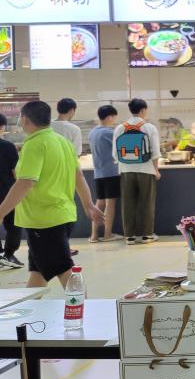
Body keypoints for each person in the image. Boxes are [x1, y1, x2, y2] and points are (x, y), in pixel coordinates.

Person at [0, 101, 101, 289]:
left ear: (25, 119)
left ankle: (83, 306)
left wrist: (1, 212)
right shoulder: (62, 142)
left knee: (64, 269)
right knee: (38, 273)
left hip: (44, 221)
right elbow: (78, 175)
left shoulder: (34, 144)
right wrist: (88, 204)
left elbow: (25, 183)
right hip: (62, 215)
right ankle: (31, 307)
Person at [113, 98, 162, 245]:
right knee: (147, 203)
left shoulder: (119, 128)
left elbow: (115, 154)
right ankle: (147, 235)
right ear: (143, 110)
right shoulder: (149, 128)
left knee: (127, 204)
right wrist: (156, 170)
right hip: (146, 170)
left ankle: (129, 236)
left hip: (126, 170)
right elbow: (155, 153)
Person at [88, 105, 121, 243]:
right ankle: (108, 235)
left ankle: (94, 236)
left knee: (99, 203)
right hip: (111, 172)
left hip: (98, 172)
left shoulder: (92, 133)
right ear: (109, 117)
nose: (114, 120)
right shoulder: (109, 133)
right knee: (110, 203)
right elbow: (120, 150)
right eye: (114, 117)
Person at [0, 114, 23, 269]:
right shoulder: (8, 146)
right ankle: (9, 254)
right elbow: (16, 172)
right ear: (2, 127)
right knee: (14, 224)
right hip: (7, 191)